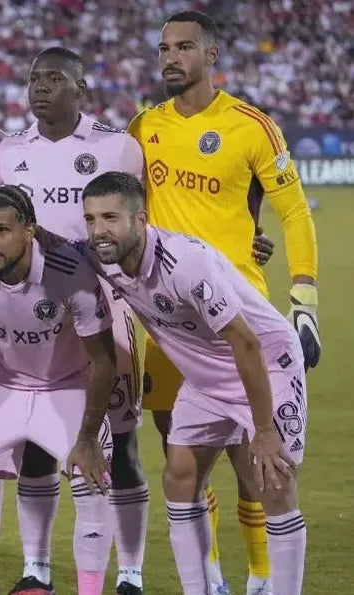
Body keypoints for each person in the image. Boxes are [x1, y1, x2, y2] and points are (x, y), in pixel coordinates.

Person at [126, 11, 319, 594]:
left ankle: (263, 574)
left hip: (238, 311)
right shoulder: (142, 128)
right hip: (172, 322)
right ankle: (207, 577)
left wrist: (304, 296)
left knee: (253, 460)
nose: (170, 57)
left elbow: (294, 211)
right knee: (180, 453)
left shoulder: (249, 126)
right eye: (163, 48)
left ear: (211, 56)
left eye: (183, 47)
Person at [82, 171, 307, 595]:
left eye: (110, 218)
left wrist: (261, 431)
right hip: (205, 376)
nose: (99, 231)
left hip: (266, 361)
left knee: (273, 480)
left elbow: (246, 343)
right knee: (180, 474)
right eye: (91, 219)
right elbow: (49, 247)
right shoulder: (101, 256)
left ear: (141, 219)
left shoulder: (186, 264)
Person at [0, 48, 148, 595]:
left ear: (81, 87)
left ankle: (128, 573)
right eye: (34, 78)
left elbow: (141, 226)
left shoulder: (117, 147)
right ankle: (36, 569)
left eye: (54, 79)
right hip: (31, 318)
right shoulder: (9, 154)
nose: (40, 87)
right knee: (36, 440)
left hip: (110, 309)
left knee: (120, 443)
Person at [0, 185, 117, 595]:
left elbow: (104, 360)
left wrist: (88, 437)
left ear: (29, 231)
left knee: (92, 486)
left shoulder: (69, 272)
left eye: (1, 230)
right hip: (5, 384)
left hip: (68, 386)